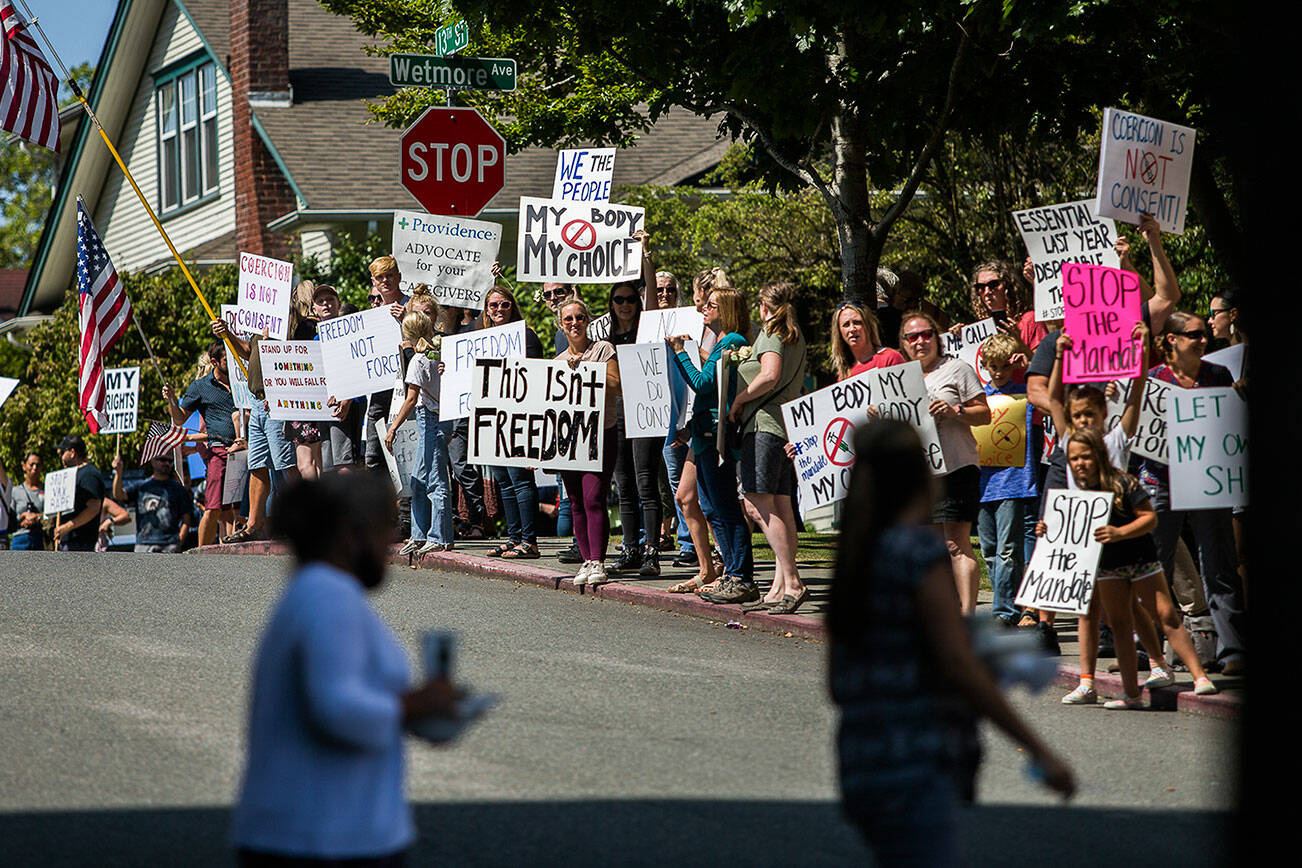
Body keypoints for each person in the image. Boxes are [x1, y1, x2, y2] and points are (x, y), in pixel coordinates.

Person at [829, 419, 1073, 865]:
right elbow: (958, 664)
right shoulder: (916, 554)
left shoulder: (855, 558)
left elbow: (837, 680)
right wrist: (1039, 750)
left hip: (861, 756)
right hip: (917, 757)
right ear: (917, 475)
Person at [231, 472, 459, 866]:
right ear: (350, 535)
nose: (391, 542)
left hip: (322, 833)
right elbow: (337, 707)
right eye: (384, 527)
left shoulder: (321, 590)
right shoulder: (327, 595)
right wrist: (417, 706)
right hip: (321, 840)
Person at [1139, 312, 1247, 676]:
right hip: (1159, 483)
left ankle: (1232, 649)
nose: (1203, 340)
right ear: (1171, 339)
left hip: (1207, 481)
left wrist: (1239, 399)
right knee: (1154, 567)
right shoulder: (1154, 381)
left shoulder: (1219, 377)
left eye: (1204, 334)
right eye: (1194, 335)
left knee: (1219, 564)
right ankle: (1151, 649)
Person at [896, 312, 991, 614]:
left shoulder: (956, 369)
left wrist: (955, 410)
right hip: (919, 475)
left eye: (927, 334)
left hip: (956, 466)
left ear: (937, 338)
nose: (920, 341)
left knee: (956, 544)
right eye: (913, 337)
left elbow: (984, 414)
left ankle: (967, 617)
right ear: (904, 343)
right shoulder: (897, 378)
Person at [669, 286, 756, 604]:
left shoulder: (733, 342)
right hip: (705, 434)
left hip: (718, 435)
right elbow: (711, 387)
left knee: (726, 507)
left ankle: (741, 576)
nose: (704, 309)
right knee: (710, 508)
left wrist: (679, 353)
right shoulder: (723, 344)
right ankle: (731, 573)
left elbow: (704, 384)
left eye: (712, 305)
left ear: (728, 311)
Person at [729, 281, 808, 614]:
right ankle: (779, 585)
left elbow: (770, 375)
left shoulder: (773, 333)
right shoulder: (794, 334)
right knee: (780, 505)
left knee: (755, 503)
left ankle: (792, 582)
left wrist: (739, 399)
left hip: (763, 426)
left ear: (764, 306)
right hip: (781, 428)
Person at [665, 268, 732, 593]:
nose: (700, 301)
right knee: (685, 497)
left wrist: (684, 352)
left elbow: (708, 379)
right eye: (699, 293)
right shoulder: (702, 327)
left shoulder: (724, 334)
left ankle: (728, 563)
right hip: (697, 423)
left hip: (715, 427)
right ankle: (708, 569)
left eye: (706, 294)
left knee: (720, 503)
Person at [555, 298, 622, 586]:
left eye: (580, 318)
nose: (574, 323)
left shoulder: (603, 349)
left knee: (594, 497)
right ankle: (586, 560)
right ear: (561, 324)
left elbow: (617, 386)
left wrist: (583, 369)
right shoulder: (557, 362)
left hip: (601, 433)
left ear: (588, 320)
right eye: (568, 319)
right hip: (570, 439)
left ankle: (598, 561)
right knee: (575, 501)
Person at [476, 285, 545, 560]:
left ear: (512, 307)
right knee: (503, 480)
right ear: (487, 310)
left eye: (504, 304)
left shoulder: (525, 336)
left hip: (518, 416)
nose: (499, 310)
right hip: (491, 417)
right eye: (493, 306)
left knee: (520, 479)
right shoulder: (480, 338)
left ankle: (530, 541)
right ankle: (514, 537)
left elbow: (536, 376)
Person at [973, 333, 1038, 628]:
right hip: (982, 483)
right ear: (985, 365)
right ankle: (1007, 601)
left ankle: (1003, 611)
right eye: (993, 366)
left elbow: (1051, 391)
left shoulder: (1025, 395)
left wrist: (1030, 360)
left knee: (1008, 549)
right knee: (988, 550)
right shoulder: (978, 397)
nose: (998, 372)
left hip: (1013, 481)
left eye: (1003, 366)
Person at [608, 275, 664, 575]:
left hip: (646, 411)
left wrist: (647, 259)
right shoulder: (605, 340)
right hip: (617, 414)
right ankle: (630, 548)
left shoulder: (648, 331)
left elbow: (653, 305)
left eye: (631, 299)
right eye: (619, 300)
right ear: (611, 305)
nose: (625, 304)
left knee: (646, 483)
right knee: (624, 486)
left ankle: (651, 552)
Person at [165, 340, 244, 546]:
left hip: (244, 451)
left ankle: (235, 547)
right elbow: (180, 419)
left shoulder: (241, 379)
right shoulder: (200, 387)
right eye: (228, 359)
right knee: (214, 506)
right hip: (218, 451)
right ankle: (202, 553)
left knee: (237, 507)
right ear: (215, 361)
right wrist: (172, 400)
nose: (233, 362)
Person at [388, 310, 453, 556]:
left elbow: (411, 398)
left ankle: (440, 536)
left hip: (431, 419)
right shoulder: (437, 355)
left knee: (435, 480)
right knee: (419, 480)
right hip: (439, 419)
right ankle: (419, 534)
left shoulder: (418, 360)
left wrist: (393, 428)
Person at [363, 255, 411, 474]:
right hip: (379, 390)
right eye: (380, 277)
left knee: (404, 453)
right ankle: (376, 505)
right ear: (373, 282)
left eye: (390, 275)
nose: (385, 281)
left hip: (406, 389)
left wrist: (407, 320)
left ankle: (404, 509)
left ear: (399, 277)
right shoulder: (372, 313)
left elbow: (427, 341)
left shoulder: (410, 305)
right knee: (373, 457)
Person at [312, 284, 365, 472]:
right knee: (328, 466)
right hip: (326, 408)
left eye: (330, 300)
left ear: (338, 303)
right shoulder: (316, 340)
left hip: (349, 405)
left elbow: (359, 367)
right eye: (320, 301)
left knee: (345, 464)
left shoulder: (351, 333)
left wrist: (347, 400)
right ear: (314, 309)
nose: (326, 304)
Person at [111, 452, 195, 553]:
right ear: (153, 461)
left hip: (170, 544)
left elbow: (186, 519)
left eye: (170, 461)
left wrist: (178, 541)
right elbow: (119, 495)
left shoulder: (178, 489)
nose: (167, 464)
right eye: (163, 460)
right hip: (144, 544)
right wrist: (118, 472)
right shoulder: (142, 486)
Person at [961, 260, 1045, 352]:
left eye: (993, 285)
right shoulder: (980, 331)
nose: (987, 292)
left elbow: (1042, 364)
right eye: (980, 287)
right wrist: (960, 335)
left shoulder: (1030, 320)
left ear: (1008, 286)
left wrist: (1019, 344)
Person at [50, 434, 105, 552]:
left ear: (72, 452)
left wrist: (67, 527)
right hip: (67, 542)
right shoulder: (72, 473)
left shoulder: (89, 474)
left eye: (62, 453)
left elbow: (94, 507)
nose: (60, 457)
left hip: (80, 544)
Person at [829, 299, 905, 380]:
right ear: (839, 333)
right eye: (846, 325)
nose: (852, 329)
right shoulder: (843, 375)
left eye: (857, 322)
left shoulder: (890, 358)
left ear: (868, 326)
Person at [9, 452, 46, 550]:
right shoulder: (15, 491)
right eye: (31, 464)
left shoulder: (47, 490)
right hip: (20, 539)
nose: (34, 468)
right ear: (24, 466)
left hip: (41, 538)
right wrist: (22, 517)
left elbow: (53, 515)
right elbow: (9, 519)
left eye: (38, 465)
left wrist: (37, 518)